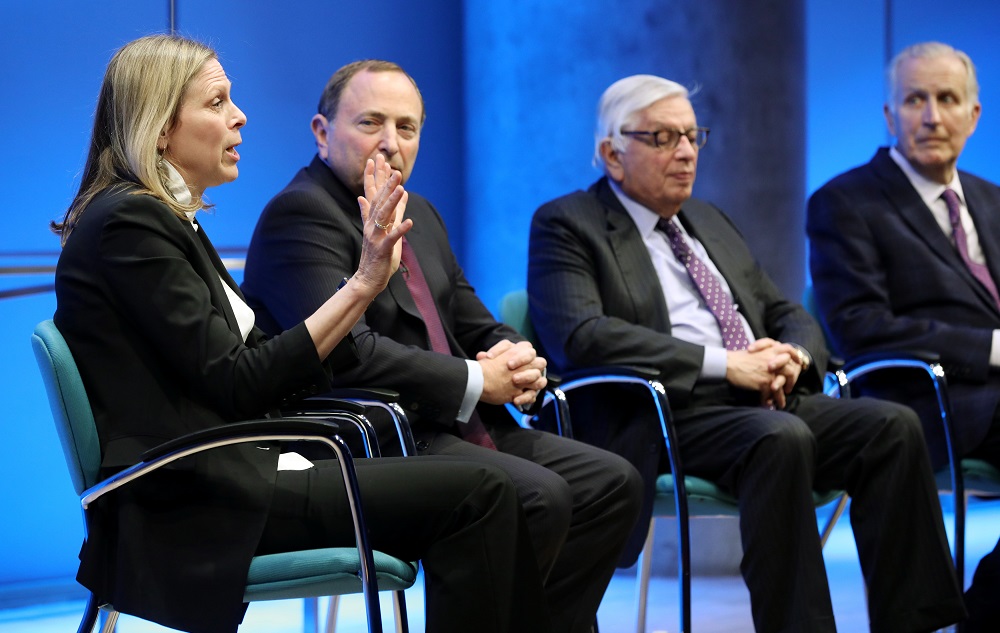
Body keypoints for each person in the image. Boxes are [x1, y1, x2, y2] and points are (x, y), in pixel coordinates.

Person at [52, 34, 552, 633]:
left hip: (246, 468)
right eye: (216, 103)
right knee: (482, 490)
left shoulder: (158, 220)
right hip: (197, 495)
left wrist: (363, 285)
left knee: (492, 486)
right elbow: (238, 382)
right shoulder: (130, 223)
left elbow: (245, 363)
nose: (239, 116)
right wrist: (363, 285)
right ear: (161, 128)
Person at [528, 73, 967, 633]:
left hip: (758, 395)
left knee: (892, 426)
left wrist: (795, 356)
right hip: (662, 414)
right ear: (612, 154)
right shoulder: (567, 224)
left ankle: (914, 623)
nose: (685, 153)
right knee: (780, 438)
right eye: (663, 139)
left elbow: (784, 308)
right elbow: (582, 335)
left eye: (692, 136)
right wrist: (724, 364)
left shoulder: (708, 219)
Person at [241, 59, 643, 633]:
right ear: (322, 132)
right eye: (370, 123)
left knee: (611, 484)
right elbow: (352, 352)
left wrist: (516, 358)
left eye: (406, 128)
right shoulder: (300, 214)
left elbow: (474, 320)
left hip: (457, 426)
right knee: (540, 495)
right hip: (378, 435)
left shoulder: (420, 212)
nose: (390, 143)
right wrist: (480, 382)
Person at [807, 41, 1000, 631]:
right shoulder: (845, 202)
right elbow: (861, 326)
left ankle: (987, 606)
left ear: (974, 115)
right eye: (915, 99)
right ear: (890, 116)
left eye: (947, 99)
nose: (932, 116)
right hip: (925, 399)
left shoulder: (992, 200)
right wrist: (992, 349)